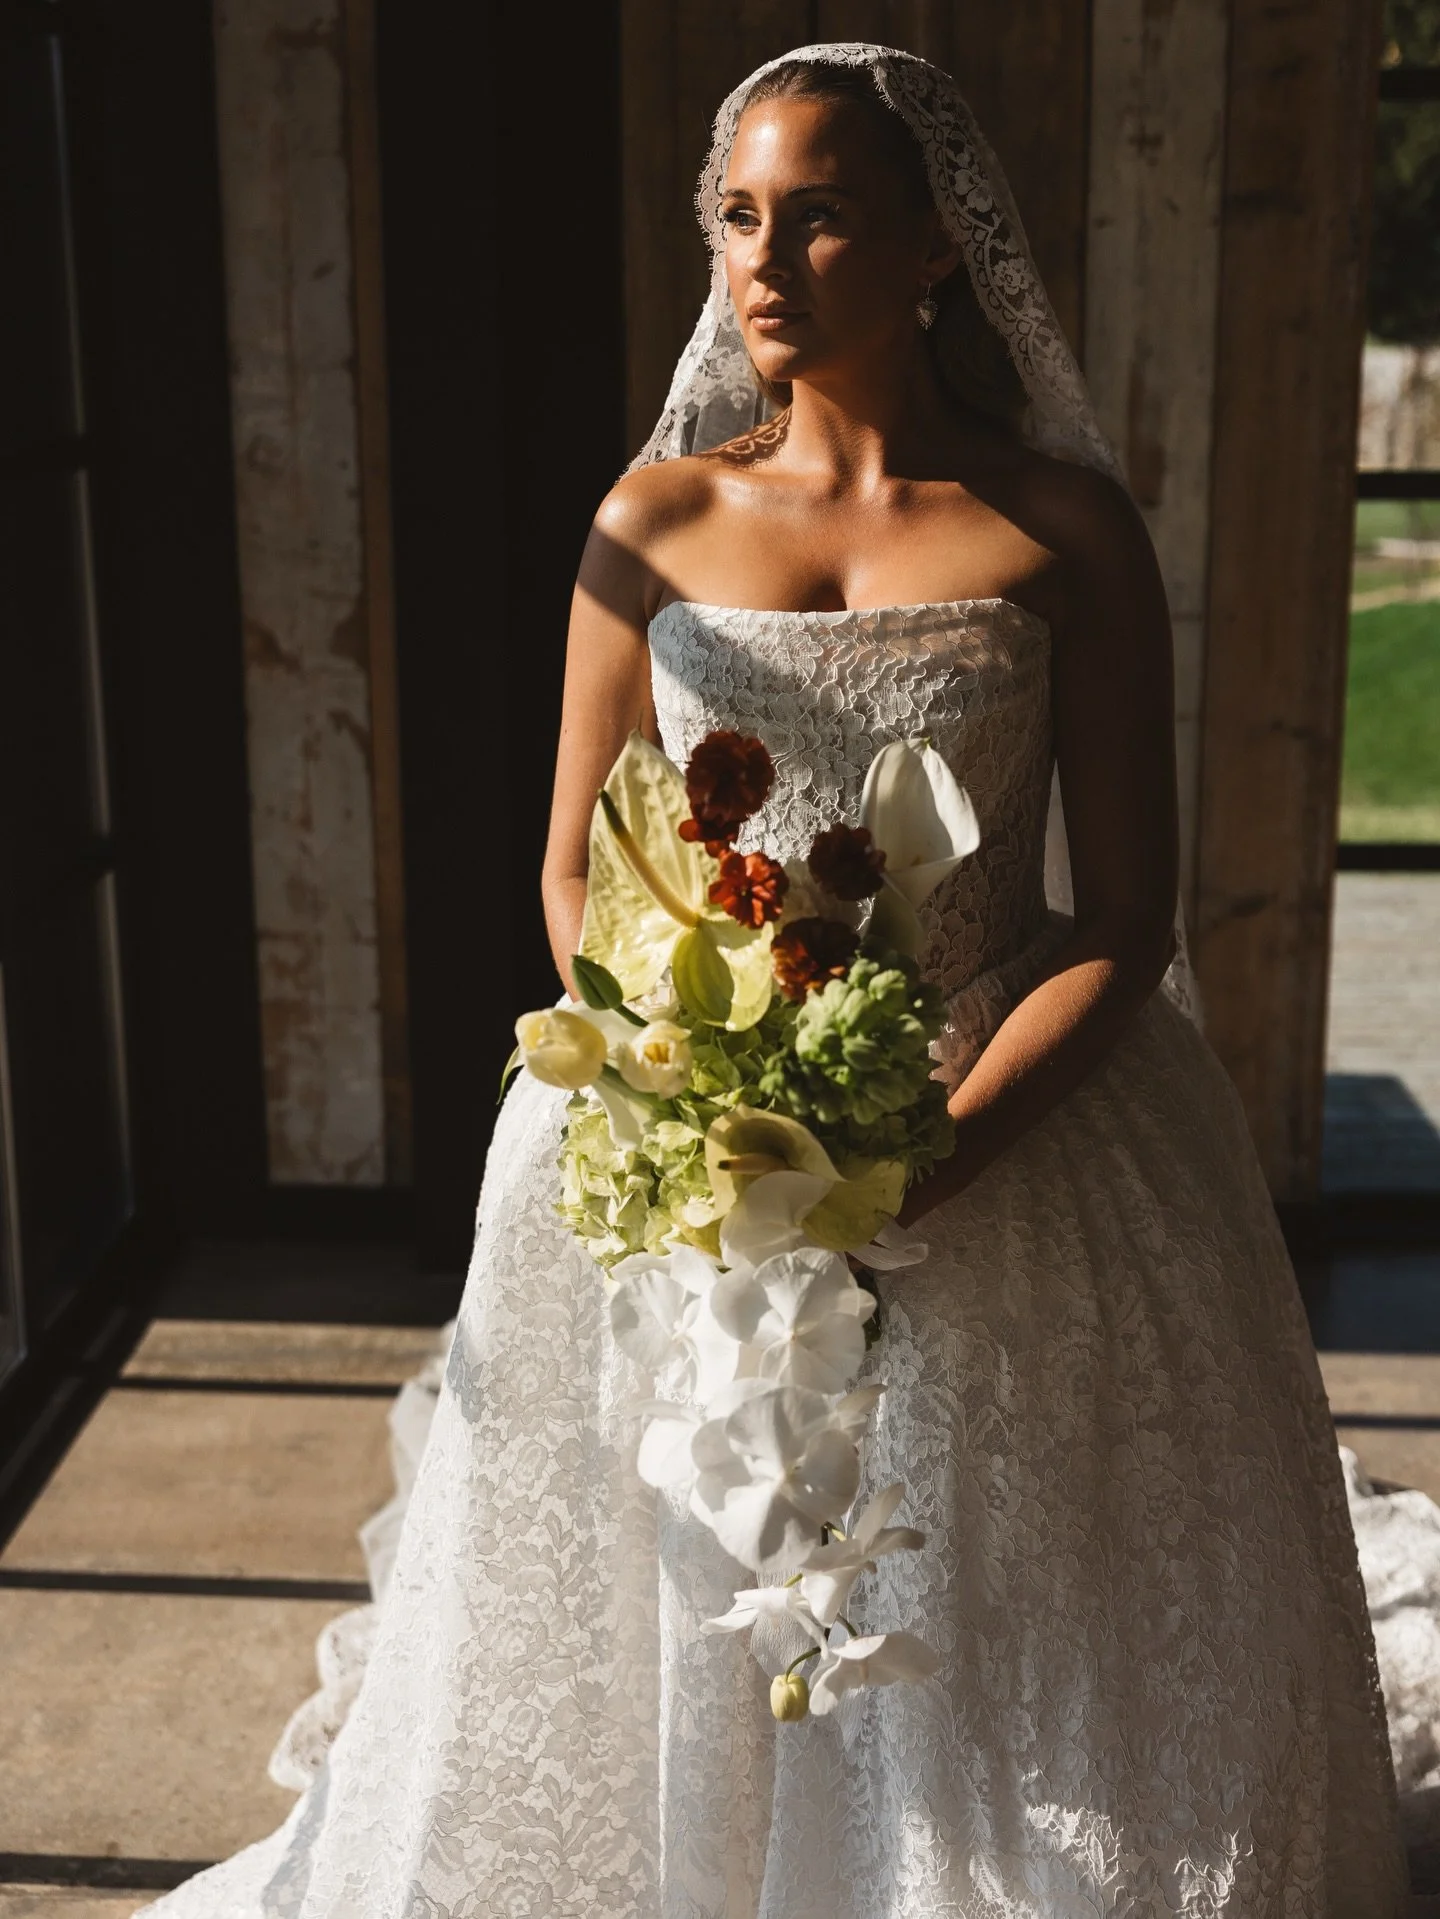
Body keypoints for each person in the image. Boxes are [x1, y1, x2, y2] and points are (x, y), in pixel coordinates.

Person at [143, 42, 1407, 1917]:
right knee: (683, 1559)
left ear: (935, 247)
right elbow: (575, 861)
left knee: (991, 1586)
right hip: (685, 1137)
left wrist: (932, 1155)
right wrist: (676, 1088)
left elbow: (1127, 917)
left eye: (818, 215)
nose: (763, 258)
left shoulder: (1062, 531)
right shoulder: (652, 522)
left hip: (995, 1129)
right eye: (737, 215)